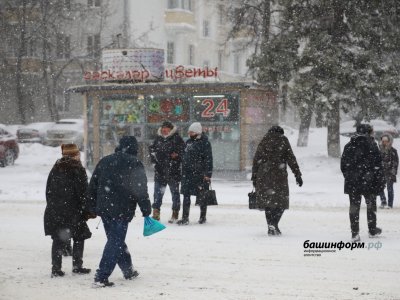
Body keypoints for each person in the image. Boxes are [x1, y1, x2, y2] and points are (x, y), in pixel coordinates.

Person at [87, 136, 151, 287]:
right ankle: (101, 276)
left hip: (105, 208)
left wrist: (91, 206)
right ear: (134, 148)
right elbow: (140, 189)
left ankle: (128, 270)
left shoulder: (105, 160)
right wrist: (146, 209)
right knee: (115, 241)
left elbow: (93, 184)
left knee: (116, 240)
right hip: (122, 209)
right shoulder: (134, 163)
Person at [44, 144, 94, 278]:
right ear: (75, 155)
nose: (79, 156)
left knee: (58, 239)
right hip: (73, 211)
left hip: (56, 210)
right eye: (78, 154)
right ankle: (77, 266)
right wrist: (87, 210)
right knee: (79, 236)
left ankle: (56, 269)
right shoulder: (78, 169)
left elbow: (48, 190)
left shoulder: (56, 168)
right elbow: (83, 193)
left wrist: (53, 205)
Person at [251, 126, 303, 236]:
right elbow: (291, 158)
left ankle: (271, 225)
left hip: (263, 176)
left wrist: (254, 177)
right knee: (281, 202)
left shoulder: (264, 141)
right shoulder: (283, 140)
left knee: (268, 203)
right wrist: (297, 174)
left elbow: (256, 160)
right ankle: (274, 224)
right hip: (279, 176)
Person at [341, 124, 386, 242]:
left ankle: (354, 234)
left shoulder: (349, 146)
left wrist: (350, 177)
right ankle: (372, 229)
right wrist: (378, 180)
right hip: (369, 182)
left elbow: (343, 165)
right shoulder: (372, 146)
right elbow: (378, 166)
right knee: (371, 206)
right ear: (368, 132)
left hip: (353, 183)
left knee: (354, 207)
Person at [149, 121, 185, 223]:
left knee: (175, 193)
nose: (164, 130)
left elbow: (183, 152)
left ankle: (175, 213)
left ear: (171, 129)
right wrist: (155, 163)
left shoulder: (177, 139)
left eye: (166, 128)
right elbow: (151, 151)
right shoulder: (158, 139)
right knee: (157, 194)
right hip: (160, 172)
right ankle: (156, 214)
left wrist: (177, 156)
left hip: (173, 171)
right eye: (163, 128)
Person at [178, 122, 213, 225]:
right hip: (187, 174)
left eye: (191, 131)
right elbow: (184, 155)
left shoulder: (205, 143)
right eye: (189, 131)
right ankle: (185, 218)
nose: (189, 133)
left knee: (202, 196)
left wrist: (208, 174)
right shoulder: (188, 142)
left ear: (197, 132)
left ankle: (203, 217)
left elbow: (208, 159)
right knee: (186, 196)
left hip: (200, 174)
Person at [379, 133, 398, 209]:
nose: (384, 142)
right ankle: (383, 201)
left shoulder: (393, 151)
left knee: (390, 189)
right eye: (383, 141)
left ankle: (390, 204)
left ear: (389, 141)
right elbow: (377, 161)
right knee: (380, 188)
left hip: (390, 173)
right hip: (381, 173)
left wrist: (393, 172)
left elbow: (395, 162)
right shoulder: (380, 150)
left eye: (386, 141)